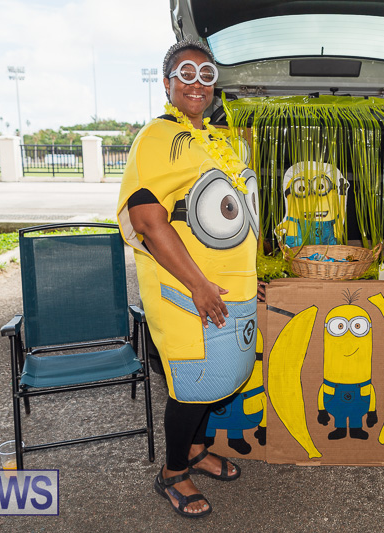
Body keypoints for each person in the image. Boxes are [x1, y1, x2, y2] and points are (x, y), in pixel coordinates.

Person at [116, 39, 258, 518]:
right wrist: (198, 284)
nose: (198, 84)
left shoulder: (217, 138)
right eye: (186, 74)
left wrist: (247, 273)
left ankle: (196, 450)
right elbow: (148, 219)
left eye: (206, 74)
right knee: (191, 384)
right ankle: (173, 471)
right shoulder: (157, 137)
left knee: (220, 376)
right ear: (168, 83)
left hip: (227, 285)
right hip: (185, 289)